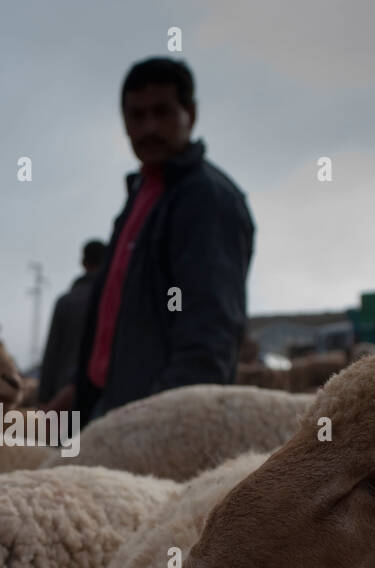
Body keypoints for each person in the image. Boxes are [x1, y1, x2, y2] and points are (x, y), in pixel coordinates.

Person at [46, 58, 254, 425]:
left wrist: (164, 426)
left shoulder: (206, 199)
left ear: (190, 113)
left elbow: (208, 332)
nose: (148, 128)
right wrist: (80, 387)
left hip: (154, 427)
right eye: (136, 116)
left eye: (162, 113)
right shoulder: (142, 195)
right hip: (112, 413)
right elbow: (115, 314)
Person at [37, 239, 106, 405]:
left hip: (63, 396)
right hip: (102, 392)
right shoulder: (113, 299)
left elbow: (52, 350)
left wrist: (45, 396)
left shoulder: (66, 301)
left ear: (83, 262)